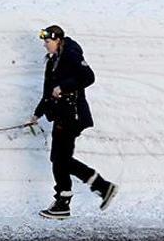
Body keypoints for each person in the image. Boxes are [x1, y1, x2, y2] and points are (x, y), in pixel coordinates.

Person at [31, 25, 118, 219]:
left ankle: (101, 187)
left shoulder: (71, 54)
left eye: (47, 41)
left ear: (58, 40)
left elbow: (88, 77)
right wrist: (37, 115)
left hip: (72, 116)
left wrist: (63, 87)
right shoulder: (52, 62)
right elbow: (48, 92)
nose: (45, 46)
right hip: (61, 116)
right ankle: (64, 201)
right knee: (58, 159)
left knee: (61, 160)